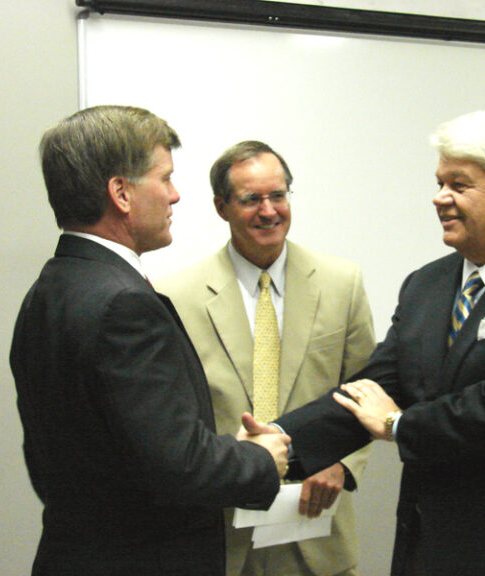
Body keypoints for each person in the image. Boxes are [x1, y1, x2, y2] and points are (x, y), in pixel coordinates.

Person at [248, 110, 485, 576]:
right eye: (439, 182)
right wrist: (275, 441)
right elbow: (373, 386)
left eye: (458, 185)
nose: (439, 198)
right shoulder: (426, 284)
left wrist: (398, 425)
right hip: (425, 546)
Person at [10, 106, 291, 576]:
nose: (176, 196)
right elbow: (178, 467)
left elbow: (121, 450)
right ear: (120, 193)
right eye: (165, 179)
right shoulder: (125, 305)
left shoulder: (49, 289)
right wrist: (259, 458)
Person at [156, 140, 375, 576]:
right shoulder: (175, 296)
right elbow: (173, 417)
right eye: (251, 199)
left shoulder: (341, 282)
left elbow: (368, 387)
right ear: (222, 207)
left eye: (279, 195)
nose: (269, 210)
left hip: (317, 527)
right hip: (223, 533)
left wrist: (342, 463)